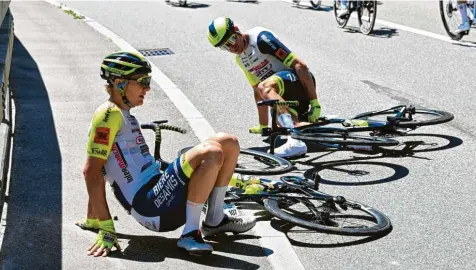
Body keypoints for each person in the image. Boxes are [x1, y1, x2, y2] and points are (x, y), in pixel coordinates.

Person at [78, 51, 256, 257]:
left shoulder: (125, 115)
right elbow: (91, 170)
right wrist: (106, 228)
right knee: (211, 152)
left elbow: (102, 168)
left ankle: (214, 220)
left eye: (148, 81)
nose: (147, 88)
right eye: (143, 81)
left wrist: (93, 217)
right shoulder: (108, 114)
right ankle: (190, 234)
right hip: (149, 206)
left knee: (228, 142)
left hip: (159, 191)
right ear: (119, 83)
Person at [207, 17, 322, 158]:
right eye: (225, 47)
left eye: (231, 41)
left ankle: (295, 141)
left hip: (300, 83)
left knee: (265, 86)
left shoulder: (261, 39)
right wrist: (263, 125)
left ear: (236, 30)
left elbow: (300, 66)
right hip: (283, 97)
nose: (231, 48)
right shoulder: (240, 59)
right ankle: (340, 136)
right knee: (280, 122)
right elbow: (257, 91)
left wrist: (315, 104)